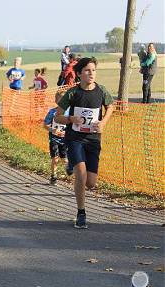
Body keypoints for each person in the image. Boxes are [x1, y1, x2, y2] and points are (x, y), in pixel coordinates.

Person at [55, 57, 114, 229]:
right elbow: (58, 116)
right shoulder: (72, 93)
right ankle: (81, 212)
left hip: (93, 139)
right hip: (75, 138)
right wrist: (71, 118)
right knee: (80, 173)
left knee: (91, 183)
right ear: (79, 74)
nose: (91, 73)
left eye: (94, 70)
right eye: (87, 70)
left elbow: (110, 106)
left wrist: (103, 123)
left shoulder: (102, 91)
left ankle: (72, 164)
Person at [43, 91, 73, 185]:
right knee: (55, 158)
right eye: (60, 101)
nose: (63, 103)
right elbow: (45, 125)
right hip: (54, 139)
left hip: (65, 140)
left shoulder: (70, 113)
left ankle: (69, 172)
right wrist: (52, 130)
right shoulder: (52, 112)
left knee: (65, 159)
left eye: (65, 101)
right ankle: (53, 176)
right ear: (56, 101)